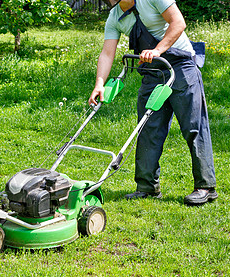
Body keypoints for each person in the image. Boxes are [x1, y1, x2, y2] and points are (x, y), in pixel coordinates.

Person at [88, 0, 217, 205]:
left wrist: (157, 49)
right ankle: (147, 187)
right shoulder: (114, 17)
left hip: (181, 66)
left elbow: (178, 22)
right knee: (148, 130)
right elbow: (107, 53)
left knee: (194, 127)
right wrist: (99, 84)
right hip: (152, 71)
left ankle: (205, 187)